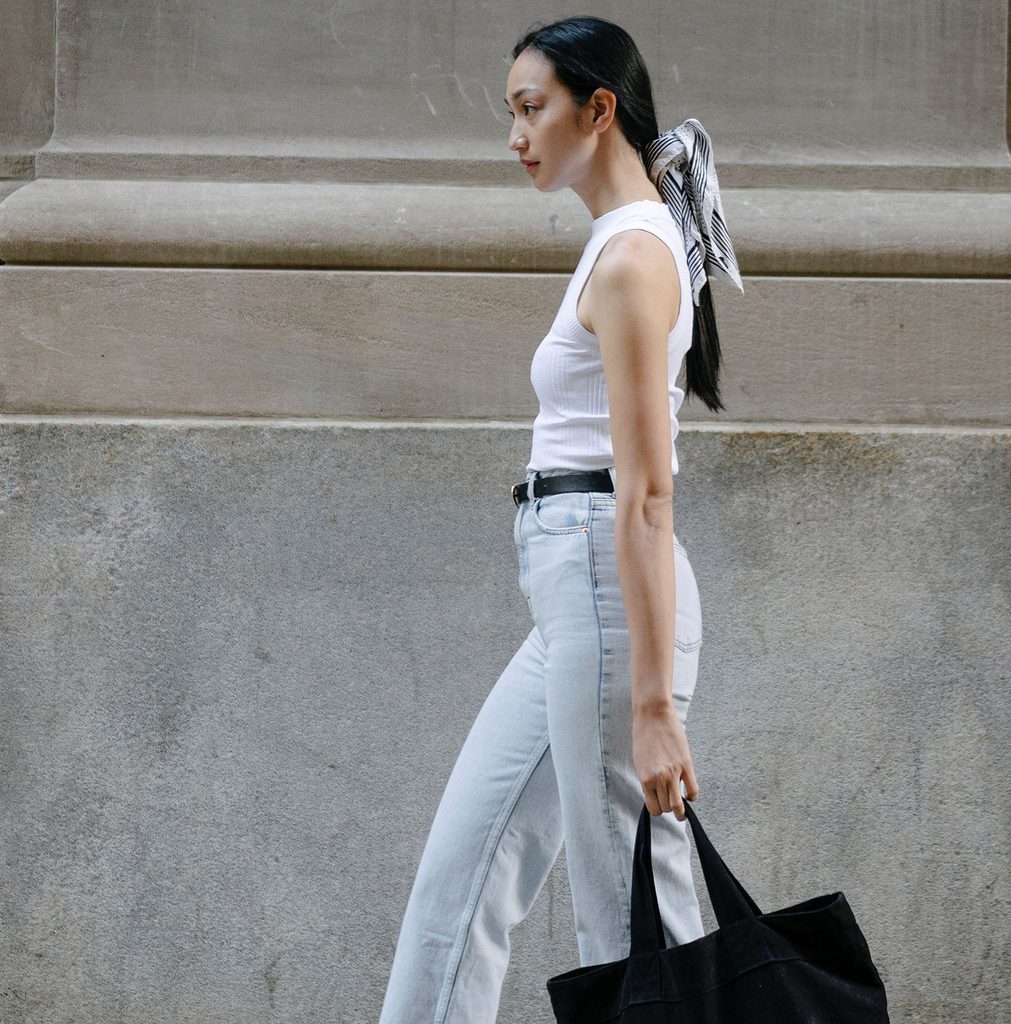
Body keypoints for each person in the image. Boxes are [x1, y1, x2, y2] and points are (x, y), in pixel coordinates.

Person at [377, 16, 743, 1024]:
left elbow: (647, 491)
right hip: (574, 593)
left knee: (630, 918)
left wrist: (655, 706)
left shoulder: (632, 258)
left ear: (598, 109)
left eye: (531, 108)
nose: (516, 136)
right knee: (461, 880)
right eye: (512, 112)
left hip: (607, 585)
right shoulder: (618, 243)